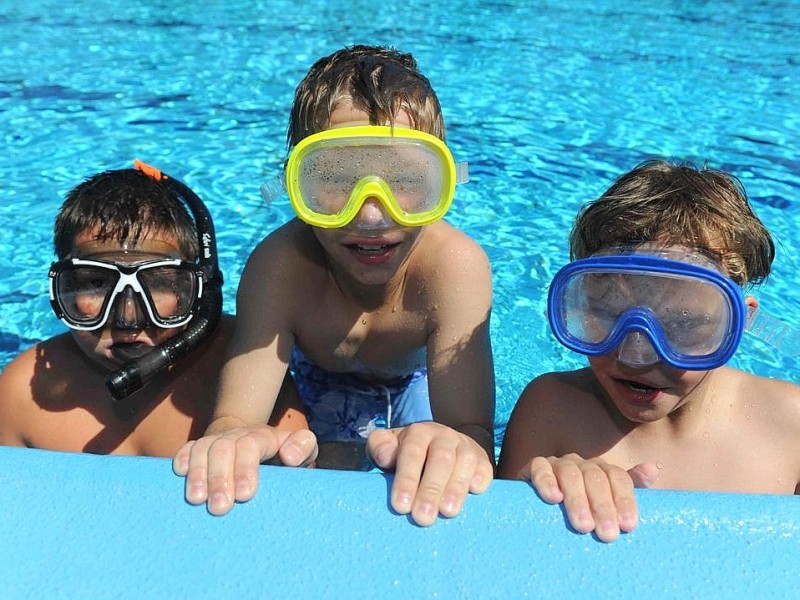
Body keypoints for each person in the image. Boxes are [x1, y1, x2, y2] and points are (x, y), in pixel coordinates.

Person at [173, 45, 497, 526]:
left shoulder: (454, 269)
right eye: (333, 179)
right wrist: (238, 438)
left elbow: (470, 434)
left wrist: (459, 444)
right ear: (295, 185)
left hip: (415, 382)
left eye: (405, 179)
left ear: (441, 183)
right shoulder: (280, 266)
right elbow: (234, 423)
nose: (370, 215)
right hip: (312, 381)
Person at [498, 159, 800, 541]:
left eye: (682, 325)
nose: (634, 354)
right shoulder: (552, 410)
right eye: (607, 314)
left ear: (736, 325)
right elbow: (503, 545)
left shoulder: (791, 426)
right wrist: (546, 482)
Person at [0, 161, 306, 457]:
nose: (128, 318)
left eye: (158, 284)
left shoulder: (248, 366)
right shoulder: (20, 396)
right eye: (96, 282)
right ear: (61, 289)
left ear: (199, 293)